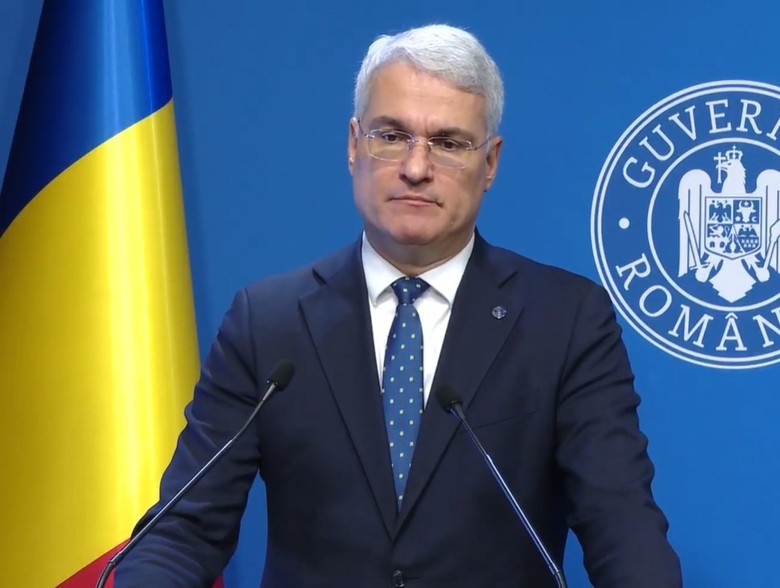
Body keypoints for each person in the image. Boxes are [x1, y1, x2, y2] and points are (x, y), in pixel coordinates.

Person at [116, 23, 682, 587]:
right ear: (353, 145)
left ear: (490, 163)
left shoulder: (564, 320)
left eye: (449, 143)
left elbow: (622, 526)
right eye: (391, 136)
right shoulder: (268, 323)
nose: (415, 167)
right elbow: (183, 532)